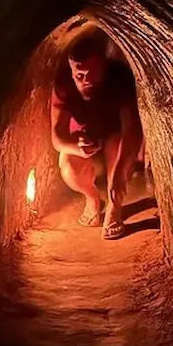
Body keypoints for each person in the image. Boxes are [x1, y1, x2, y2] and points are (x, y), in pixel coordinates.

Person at [49, 30, 142, 240]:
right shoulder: (63, 84)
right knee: (68, 163)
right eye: (79, 76)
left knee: (116, 144)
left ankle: (113, 208)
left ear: (104, 67)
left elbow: (131, 131)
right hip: (87, 140)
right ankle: (92, 199)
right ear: (72, 72)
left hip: (113, 137)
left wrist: (118, 177)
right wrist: (76, 147)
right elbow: (57, 137)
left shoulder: (120, 79)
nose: (86, 80)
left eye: (92, 73)